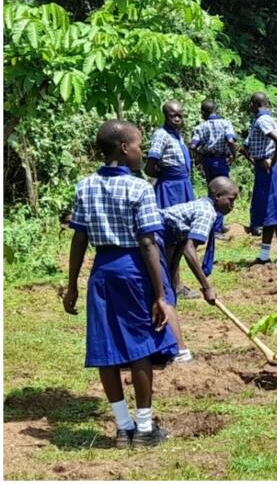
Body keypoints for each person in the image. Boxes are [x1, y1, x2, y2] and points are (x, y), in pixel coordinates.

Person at [64, 119, 177, 448]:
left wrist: (72, 285)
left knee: (107, 348)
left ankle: (123, 428)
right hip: (132, 270)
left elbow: (79, 237)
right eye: (139, 145)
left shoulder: (85, 185)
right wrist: (159, 295)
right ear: (125, 148)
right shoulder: (140, 188)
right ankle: (144, 429)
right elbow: (147, 243)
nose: (142, 151)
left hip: (101, 271)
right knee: (140, 345)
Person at [160, 177, 240, 363]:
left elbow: (180, 244)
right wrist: (206, 286)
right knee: (163, 296)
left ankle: (164, 346)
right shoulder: (207, 212)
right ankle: (180, 351)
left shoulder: (201, 206)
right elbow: (189, 249)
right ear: (218, 195)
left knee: (167, 294)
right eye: (231, 199)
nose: (232, 205)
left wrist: (172, 281)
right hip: (152, 238)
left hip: (163, 240)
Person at [243, 92, 277, 266]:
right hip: (263, 168)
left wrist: (272, 161)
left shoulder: (262, 121)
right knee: (267, 213)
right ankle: (264, 254)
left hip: (270, 170)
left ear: (253, 105)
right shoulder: (262, 119)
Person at [190, 99, 237, 263]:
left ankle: (217, 225)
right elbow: (231, 141)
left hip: (208, 161)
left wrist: (200, 156)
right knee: (223, 193)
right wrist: (234, 155)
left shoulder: (201, 126)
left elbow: (193, 145)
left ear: (204, 112)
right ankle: (217, 227)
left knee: (213, 193)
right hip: (221, 160)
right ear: (215, 110)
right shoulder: (225, 123)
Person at [146, 101, 194, 210]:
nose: (177, 119)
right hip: (170, 187)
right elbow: (149, 167)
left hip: (184, 184)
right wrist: (165, 175)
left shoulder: (177, 136)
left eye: (180, 116)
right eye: (173, 116)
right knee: (170, 216)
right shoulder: (161, 135)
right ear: (165, 116)